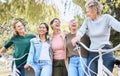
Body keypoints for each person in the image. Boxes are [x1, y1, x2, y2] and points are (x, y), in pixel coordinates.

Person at [71, 0, 120, 76]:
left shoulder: (106, 18)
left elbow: (118, 26)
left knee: (106, 74)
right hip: (93, 52)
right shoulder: (87, 21)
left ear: (95, 9)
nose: (87, 14)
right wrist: (77, 37)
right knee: (88, 74)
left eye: (88, 12)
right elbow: (81, 30)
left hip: (106, 51)